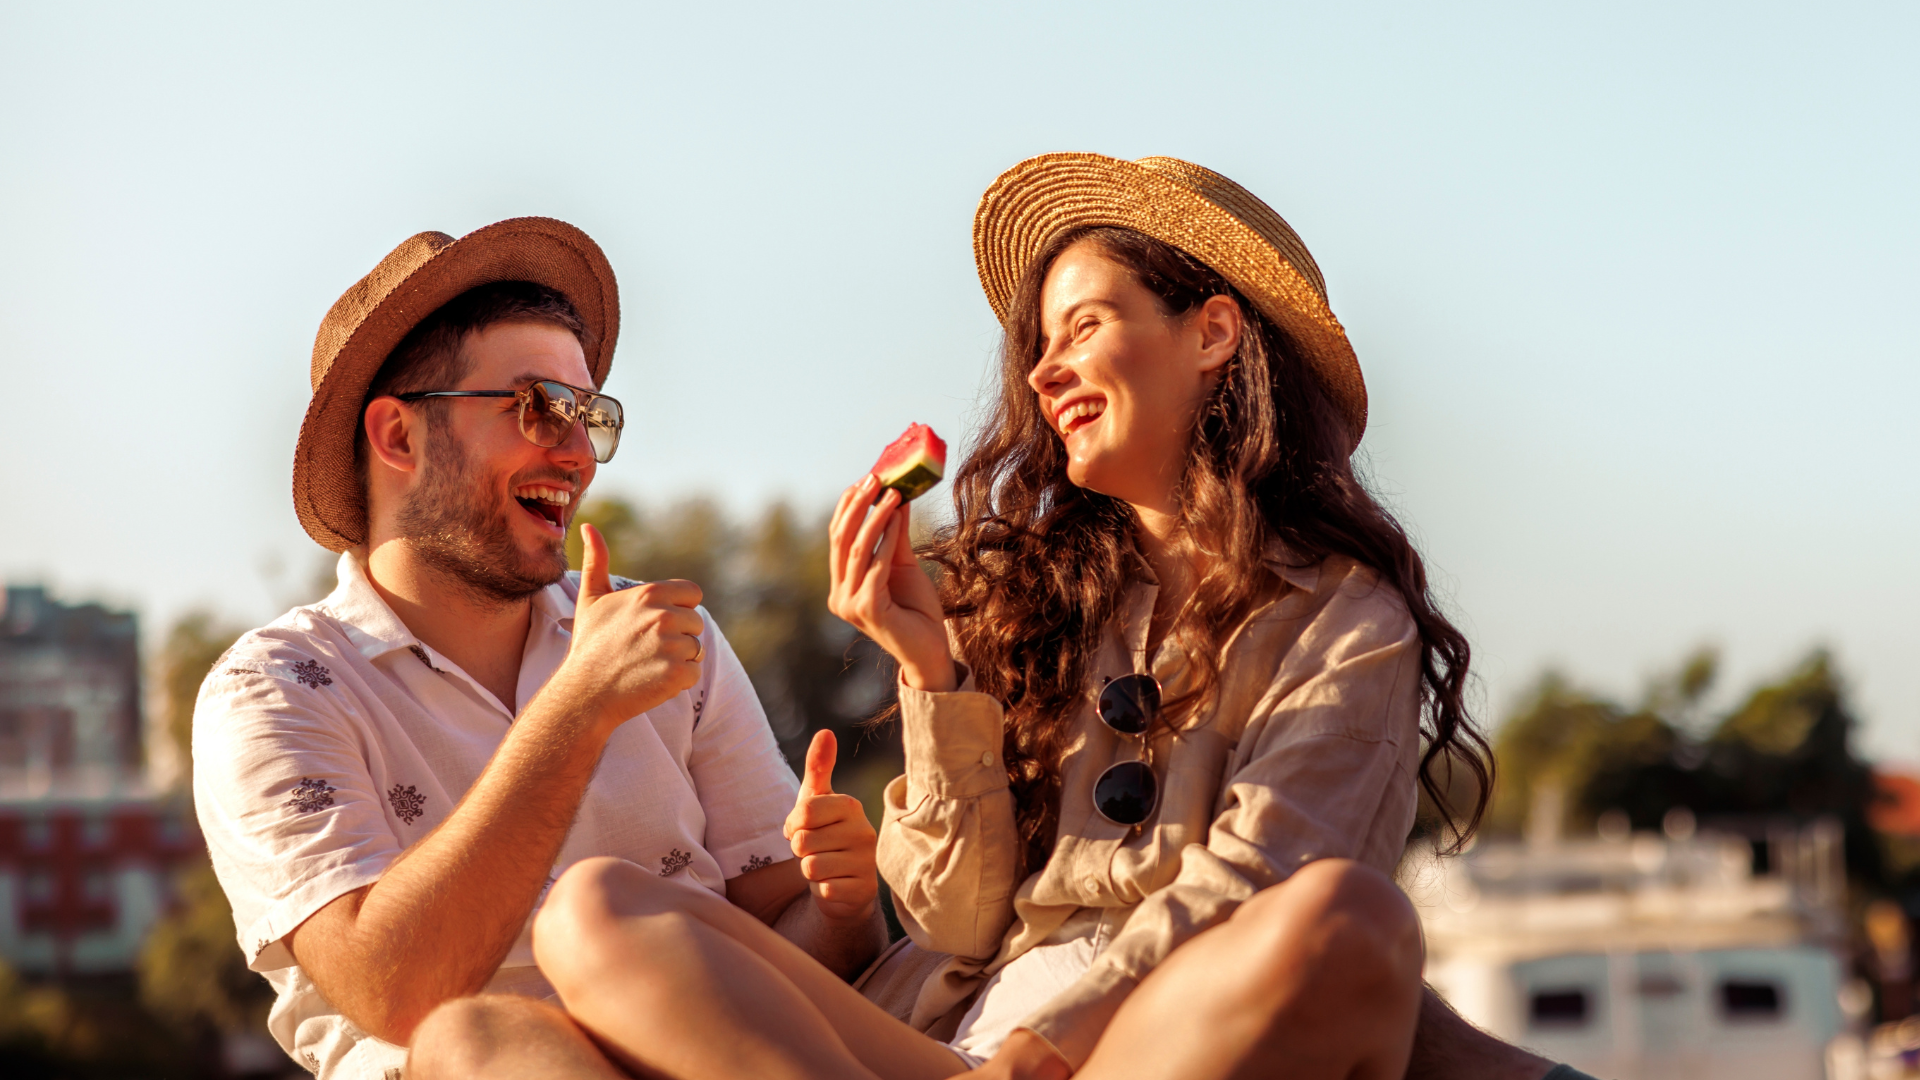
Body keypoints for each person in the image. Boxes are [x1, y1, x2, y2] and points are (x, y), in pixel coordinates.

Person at [526, 156, 1599, 1080]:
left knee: (1352, 923)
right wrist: (930, 673)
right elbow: (952, 921)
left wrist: (1058, 1040)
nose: (1041, 371)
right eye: (1039, 341)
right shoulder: (1038, 599)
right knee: (594, 912)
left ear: (1214, 330)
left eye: (1085, 325)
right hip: (959, 1049)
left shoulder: (1345, 620)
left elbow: (1257, 884)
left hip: (1155, 1035)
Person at [191, 218, 888, 1080]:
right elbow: (395, 992)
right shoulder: (275, 693)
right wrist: (577, 710)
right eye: (538, 406)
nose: (576, 453)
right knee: (470, 1038)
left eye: (589, 415)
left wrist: (846, 906)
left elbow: (794, 961)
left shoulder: (671, 639)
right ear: (399, 437)